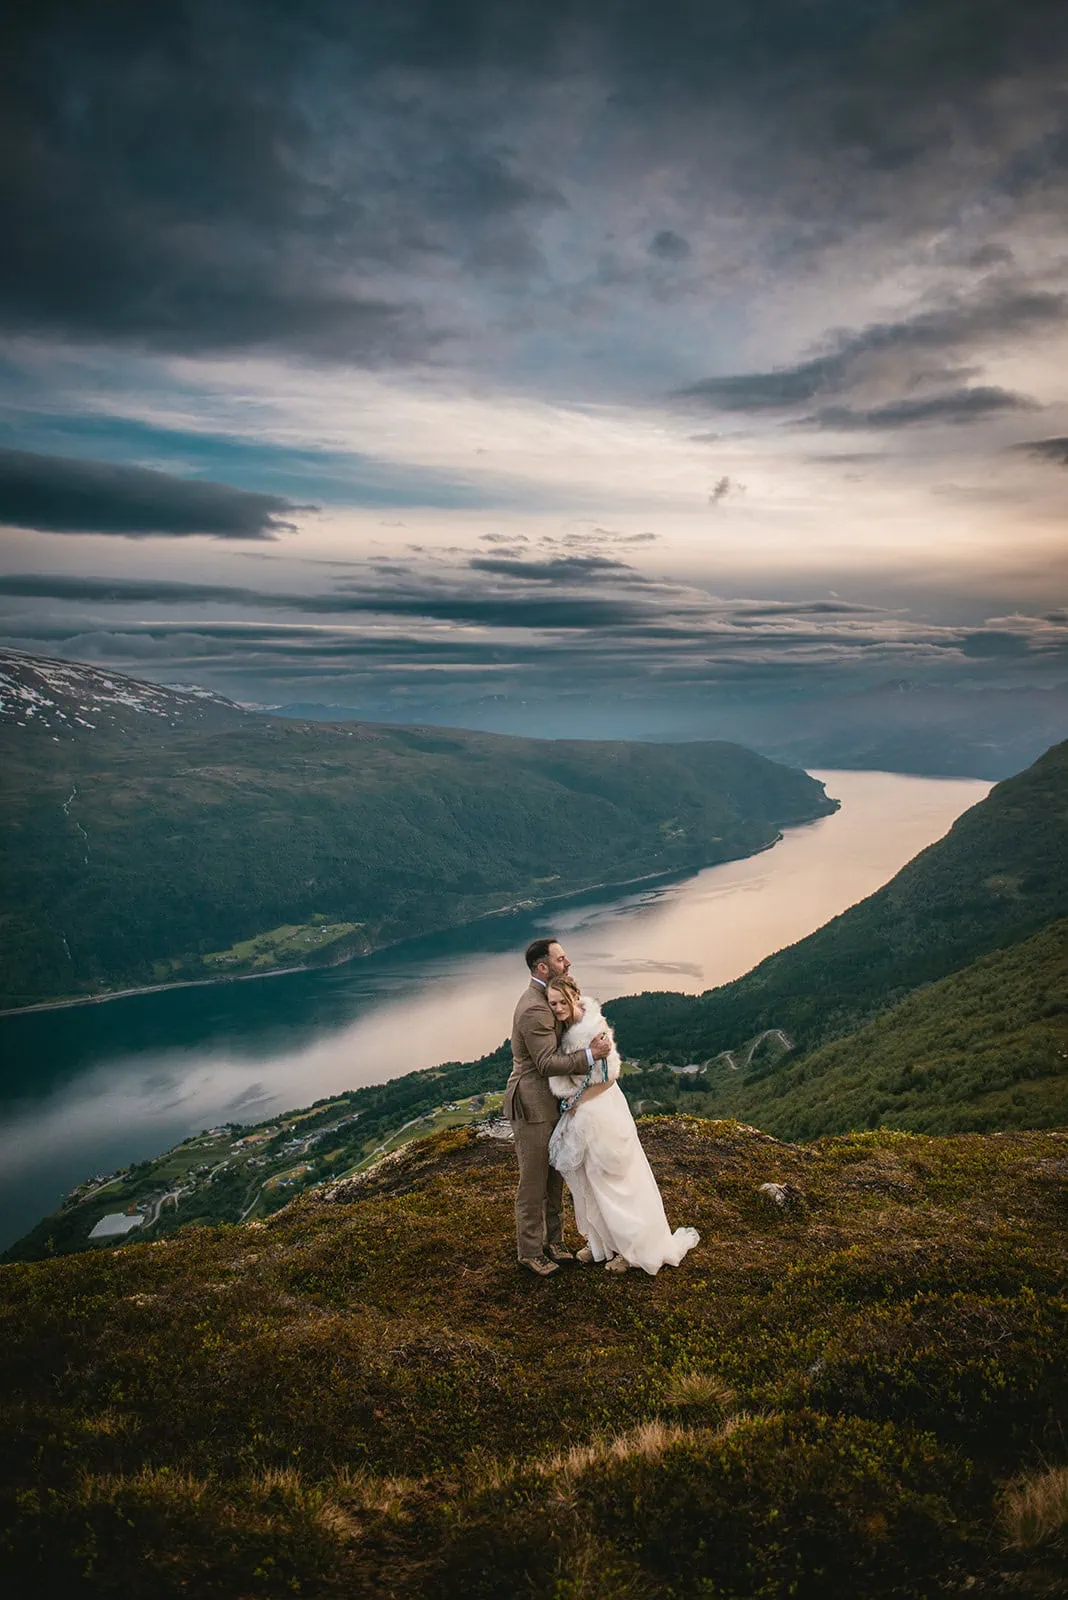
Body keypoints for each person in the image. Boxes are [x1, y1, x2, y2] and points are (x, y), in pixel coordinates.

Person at [546, 974, 699, 1275]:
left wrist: (576, 1101)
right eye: (553, 1003)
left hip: (602, 1111)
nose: (558, 1007)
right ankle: (600, 1244)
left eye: (563, 1001)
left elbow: (609, 1075)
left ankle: (630, 1250)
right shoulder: (563, 1028)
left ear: (575, 996)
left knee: (614, 1179)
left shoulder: (594, 1029)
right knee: (590, 1180)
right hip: (583, 1113)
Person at [504, 938, 612, 1276]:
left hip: (551, 1102)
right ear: (543, 967)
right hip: (533, 1104)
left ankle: (554, 1241)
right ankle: (530, 1251)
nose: (568, 963)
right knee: (534, 1180)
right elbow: (547, 1062)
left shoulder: (548, 999)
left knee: (555, 1176)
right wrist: (592, 1056)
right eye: (562, 959)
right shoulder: (535, 1008)